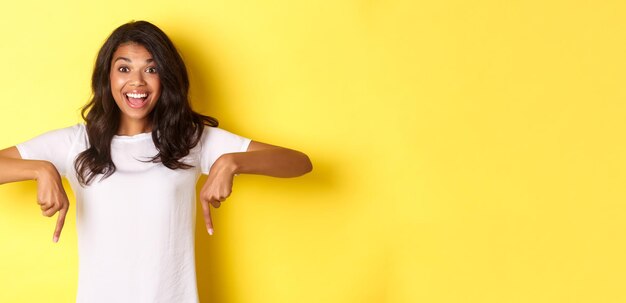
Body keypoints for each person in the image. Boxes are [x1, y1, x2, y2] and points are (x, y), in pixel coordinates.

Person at [0, 20, 312, 303]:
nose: (137, 82)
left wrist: (232, 162)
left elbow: (299, 163)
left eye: (151, 69)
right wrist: (41, 168)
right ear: (106, 76)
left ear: (166, 77)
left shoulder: (188, 139)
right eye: (124, 69)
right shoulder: (76, 143)